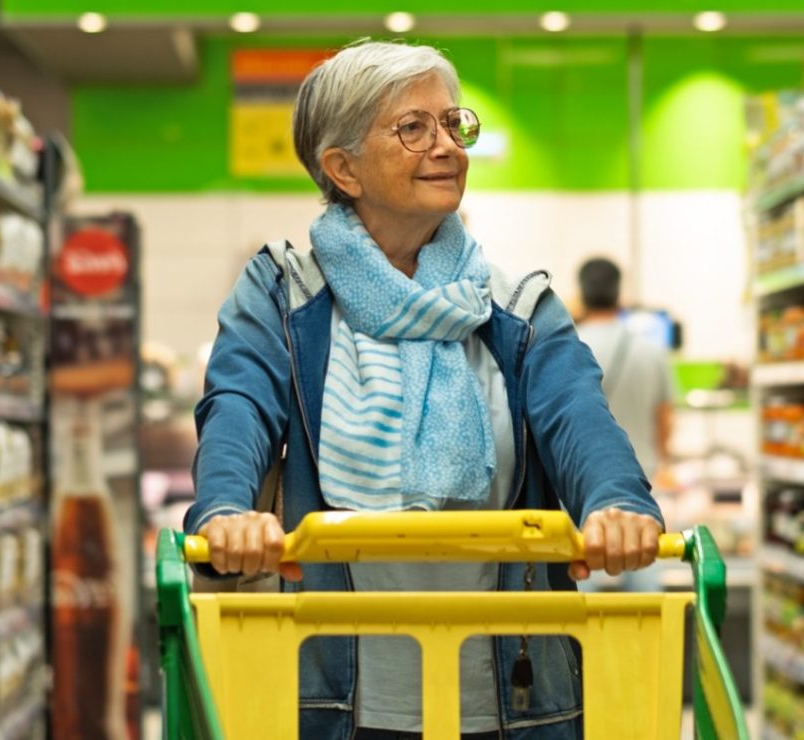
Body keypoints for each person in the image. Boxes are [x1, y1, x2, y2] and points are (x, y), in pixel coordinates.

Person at [185, 40, 663, 740]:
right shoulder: (285, 296)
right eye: (414, 128)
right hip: (333, 697)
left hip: (513, 697)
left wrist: (618, 502)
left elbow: (578, 416)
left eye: (453, 125)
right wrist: (227, 509)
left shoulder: (515, 307)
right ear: (342, 168)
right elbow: (238, 407)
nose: (446, 146)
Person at [575, 258, 674, 480]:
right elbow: (664, 417)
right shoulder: (651, 350)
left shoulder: (567, 346)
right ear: (618, 292)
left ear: (581, 293)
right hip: (641, 477)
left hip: (583, 477)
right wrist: (665, 462)